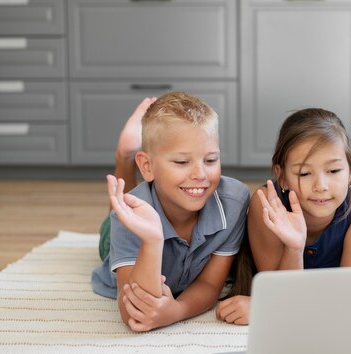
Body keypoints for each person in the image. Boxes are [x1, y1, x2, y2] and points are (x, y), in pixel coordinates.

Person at [91, 91, 250, 332]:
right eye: (182, 162)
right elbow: (133, 313)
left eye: (210, 160)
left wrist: (176, 311)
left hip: (150, 202)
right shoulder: (126, 219)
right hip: (130, 223)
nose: (200, 174)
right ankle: (124, 157)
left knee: (126, 204)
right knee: (116, 216)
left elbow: (209, 284)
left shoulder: (234, 203)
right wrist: (152, 240)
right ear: (147, 166)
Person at [216, 108, 351, 325]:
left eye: (334, 171)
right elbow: (282, 293)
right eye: (304, 173)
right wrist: (294, 247)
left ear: (350, 170)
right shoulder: (266, 203)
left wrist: (266, 308)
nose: (321, 186)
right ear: (281, 176)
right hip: (287, 287)